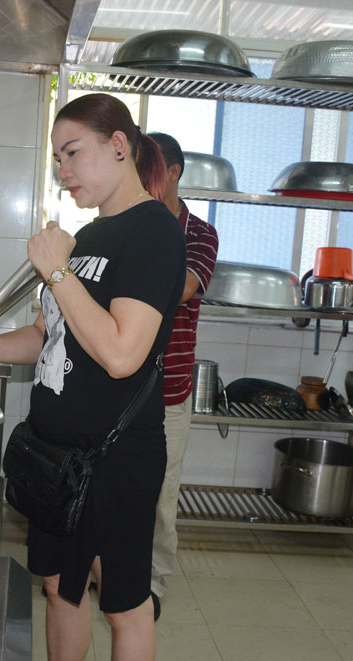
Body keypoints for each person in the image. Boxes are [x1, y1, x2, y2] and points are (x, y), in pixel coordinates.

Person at [0, 94, 185, 661]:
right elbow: (50, 336)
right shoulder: (91, 233)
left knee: (123, 602)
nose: (63, 171)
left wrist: (60, 274)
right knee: (59, 587)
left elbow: (123, 352)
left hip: (115, 457)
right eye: (57, 158)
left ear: (119, 146)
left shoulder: (153, 233)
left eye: (73, 153)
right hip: (56, 455)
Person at [146, 132, 219, 603]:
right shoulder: (126, 222)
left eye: (148, 170)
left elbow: (186, 288)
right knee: (112, 485)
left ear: (172, 173)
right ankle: (103, 568)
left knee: (159, 495)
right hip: (118, 383)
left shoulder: (199, 233)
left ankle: (151, 582)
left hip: (168, 388)